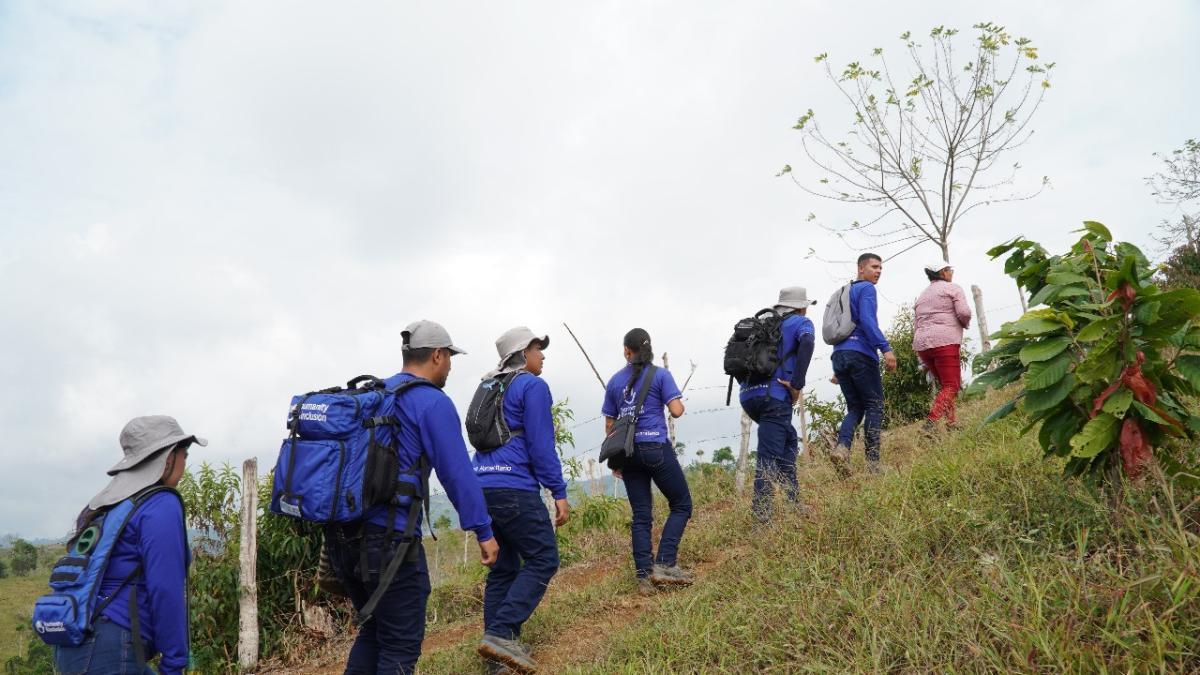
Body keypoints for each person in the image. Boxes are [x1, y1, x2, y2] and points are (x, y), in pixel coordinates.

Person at [326, 320, 499, 675]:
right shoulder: (431, 402)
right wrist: (483, 530)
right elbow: (456, 473)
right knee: (401, 643)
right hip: (390, 543)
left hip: (343, 540)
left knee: (375, 628)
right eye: (449, 357)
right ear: (437, 355)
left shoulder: (373, 396)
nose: (450, 364)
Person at [55, 415, 204, 675]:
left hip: (73, 645)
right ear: (168, 458)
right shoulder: (160, 504)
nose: (185, 463)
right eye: (185, 453)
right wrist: (174, 663)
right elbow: (165, 588)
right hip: (113, 648)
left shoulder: (102, 506)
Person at [472, 327, 569, 674]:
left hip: (481, 486)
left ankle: (494, 661)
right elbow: (541, 446)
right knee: (544, 557)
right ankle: (501, 633)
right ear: (522, 354)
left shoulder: (489, 385)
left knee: (504, 569)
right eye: (537, 349)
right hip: (514, 488)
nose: (542, 355)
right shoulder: (532, 385)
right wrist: (558, 491)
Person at [602, 328, 691, 596]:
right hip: (655, 447)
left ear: (627, 352)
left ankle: (644, 577)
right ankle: (664, 563)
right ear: (649, 349)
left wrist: (617, 460)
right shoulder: (660, 375)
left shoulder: (615, 381)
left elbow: (609, 426)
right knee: (681, 504)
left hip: (628, 453)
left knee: (641, 515)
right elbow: (676, 410)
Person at [738, 287, 816, 522]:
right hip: (775, 396)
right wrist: (797, 383)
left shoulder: (763, 322)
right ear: (800, 306)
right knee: (768, 457)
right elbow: (808, 341)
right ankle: (762, 520)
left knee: (789, 440)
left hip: (749, 397)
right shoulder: (800, 322)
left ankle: (794, 503)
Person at [829, 253, 898, 476]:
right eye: (874, 267)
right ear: (861, 269)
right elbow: (868, 321)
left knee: (855, 408)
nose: (878, 271)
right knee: (874, 405)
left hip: (840, 355)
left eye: (881, 268)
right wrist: (885, 348)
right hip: (861, 354)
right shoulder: (866, 289)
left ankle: (842, 448)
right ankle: (873, 465)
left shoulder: (844, 291)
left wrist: (841, 367)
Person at [913, 261, 972, 432]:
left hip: (922, 345)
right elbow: (964, 312)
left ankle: (951, 423)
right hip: (945, 341)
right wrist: (964, 324)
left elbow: (916, 323)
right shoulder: (953, 288)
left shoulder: (922, 296)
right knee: (952, 385)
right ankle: (930, 423)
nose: (951, 273)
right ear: (943, 272)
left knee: (946, 384)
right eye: (949, 270)